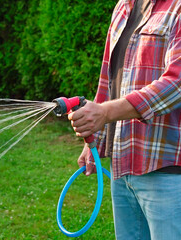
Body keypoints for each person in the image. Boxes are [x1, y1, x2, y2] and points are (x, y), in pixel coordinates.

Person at [68, 0, 181, 239]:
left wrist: (106, 113)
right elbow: (108, 75)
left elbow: (176, 83)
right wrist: (95, 138)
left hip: (167, 170)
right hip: (123, 164)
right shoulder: (124, 6)